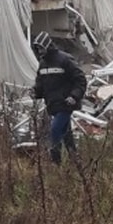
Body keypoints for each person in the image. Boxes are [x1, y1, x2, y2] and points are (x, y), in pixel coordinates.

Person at [31, 31, 86, 165]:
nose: (39, 51)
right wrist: (35, 92)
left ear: (47, 46)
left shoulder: (65, 60)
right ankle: (77, 163)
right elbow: (41, 84)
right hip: (52, 106)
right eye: (37, 49)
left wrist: (74, 96)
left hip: (65, 105)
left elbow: (80, 79)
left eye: (41, 48)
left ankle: (56, 162)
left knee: (54, 130)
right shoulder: (42, 64)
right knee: (67, 136)